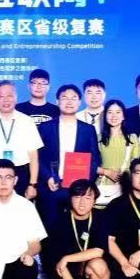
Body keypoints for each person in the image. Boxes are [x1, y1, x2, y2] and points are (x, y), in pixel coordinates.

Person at [43, 180, 111, 279]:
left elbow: (99, 251)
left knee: (99, 265)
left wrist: (67, 258)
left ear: (94, 200)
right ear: (70, 198)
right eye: (78, 197)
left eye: (88, 198)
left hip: (87, 270)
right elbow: (59, 265)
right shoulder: (58, 221)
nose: (82, 203)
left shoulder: (101, 217)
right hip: (64, 273)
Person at [37, 85, 101, 221]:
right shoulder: (45, 127)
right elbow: (37, 157)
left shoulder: (88, 129)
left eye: (73, 98)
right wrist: (47, 177)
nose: (69, 102)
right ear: (57, 101)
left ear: (79, 102)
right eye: (64, 98)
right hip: (51, 187)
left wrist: (85, 184)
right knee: (50, 226)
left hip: (78, 190)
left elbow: (95, 160)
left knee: (75, 226)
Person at [0, 81, 42, 199]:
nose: (6, 100)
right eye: (1, 96)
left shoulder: (27, 121)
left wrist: (32, 184)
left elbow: (33, 156)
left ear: (16, 97)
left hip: (21, 174)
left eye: (9, 96)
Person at [94, 98, 140, 207]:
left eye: (118, 112)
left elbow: (137, 164)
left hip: (126, 187)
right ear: (105, 116)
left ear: (123, 116)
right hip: (102, 186)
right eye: (110, 112)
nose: (114, 116)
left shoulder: (132, 138)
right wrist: (106, 172)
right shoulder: (98, 139)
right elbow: (90, 164)